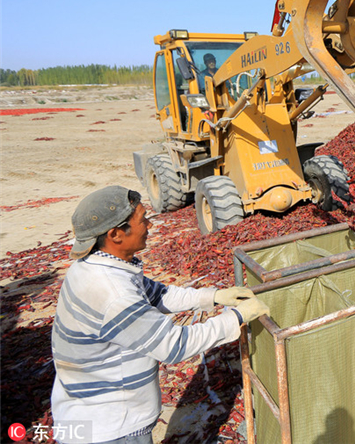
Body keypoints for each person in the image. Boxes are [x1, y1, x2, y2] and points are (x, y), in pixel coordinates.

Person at [51, 186, 269, 444]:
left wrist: (213, 296)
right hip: (110, 429)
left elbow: (157, 294)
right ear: (115, 234)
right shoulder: (111, 293)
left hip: (86, 409)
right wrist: (236, 317)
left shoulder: (94, 266)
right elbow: (174, 346)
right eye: (142, 220)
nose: (149, 225)